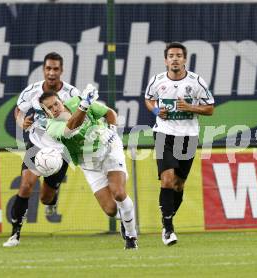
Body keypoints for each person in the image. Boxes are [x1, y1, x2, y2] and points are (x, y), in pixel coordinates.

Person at [39, 85, 138, 249]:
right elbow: (70, 128)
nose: (54, 109)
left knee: (119, 193)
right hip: (89, 164)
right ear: (46, 113)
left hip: (109, 151)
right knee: (111, 210)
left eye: (56, 104)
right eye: (49, 108)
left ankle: (131, 237)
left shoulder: (77, 101)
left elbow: (109, 113)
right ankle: (126, 219)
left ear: (61, 101)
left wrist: (112, 131)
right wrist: (84, 104)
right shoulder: (51, 126)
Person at [3, 52, 80, 247]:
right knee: (25, 185)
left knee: (46, 198)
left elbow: (80, 117)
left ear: (61, 71)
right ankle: (15, 234)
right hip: (37, 144)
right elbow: (19, 110)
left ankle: (53, 200)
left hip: (61, 149)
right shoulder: (32, 91)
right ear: (43, 70)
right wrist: (22, 121)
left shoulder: (71, 94)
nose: (51, 72)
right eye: (48, 68)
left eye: (55, 69)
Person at [144, 42, 214, 246]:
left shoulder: (196, 82)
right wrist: (156, 111)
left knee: (178, 184)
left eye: (178, 56)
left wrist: (191, 107)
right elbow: (148, 99)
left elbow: (210, 108)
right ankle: (168, 229)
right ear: (166, 60)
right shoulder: (157, 80)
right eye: (171, 56)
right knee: (167, 180)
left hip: (188, 136)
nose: (175, 59)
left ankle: (167, 218)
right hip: (164, 134)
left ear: (184, 59)